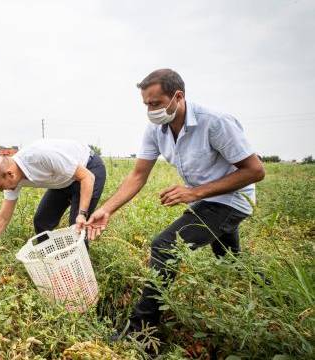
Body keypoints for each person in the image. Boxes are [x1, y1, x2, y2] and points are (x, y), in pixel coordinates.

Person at [85, 69, 265, 342]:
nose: (151, 110)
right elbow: (137, 175)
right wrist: (107, 209)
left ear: (178, 97)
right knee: (231, 261)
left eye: (156, 103)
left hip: (232, 199)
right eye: (146, 104)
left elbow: (254, 170)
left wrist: (194, 192)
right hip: (206, 199)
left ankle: (140, 334)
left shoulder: (214, 122)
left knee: (164, 245)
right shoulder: (156, 130)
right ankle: (272, 295)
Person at [0, 139, 106, 247]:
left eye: (0, 187)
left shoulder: (40, 156)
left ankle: (80, 269)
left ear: (10, 174)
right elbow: (3, 217)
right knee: (42, 222)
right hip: (63, 180)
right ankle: (50, 261)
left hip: (88, 169)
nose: (2, 190)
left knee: (76, 228)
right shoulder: (12, 179)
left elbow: (87, 177)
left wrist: (82, 214)